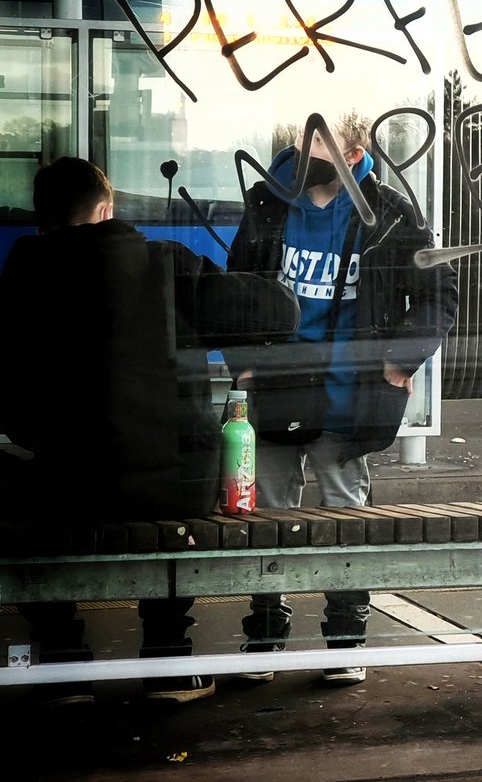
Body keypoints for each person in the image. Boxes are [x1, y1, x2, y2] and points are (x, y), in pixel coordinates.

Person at [0, 157, 300, 705]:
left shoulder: (23, 276)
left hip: (72, 483)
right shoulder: (165, 264)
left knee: (18, 501)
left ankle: (63, 657)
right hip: (174, 485)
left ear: (41, 220)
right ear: (108, 209)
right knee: (177, 492)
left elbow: (12, 405)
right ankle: (168, 658)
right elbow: (279, 312)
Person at [225, 111, 458, 685]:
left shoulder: (391, 217)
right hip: (278, 390)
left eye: (322, 143)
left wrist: (400, 361)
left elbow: (440, 294)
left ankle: (344, 637)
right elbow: (232, 290)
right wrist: (245, 364)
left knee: (342, 513)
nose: (307, 153)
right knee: (270, 511)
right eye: (303, 140)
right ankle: (266, 630)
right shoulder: (267, 203)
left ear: (355, 154)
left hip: (349, 396)